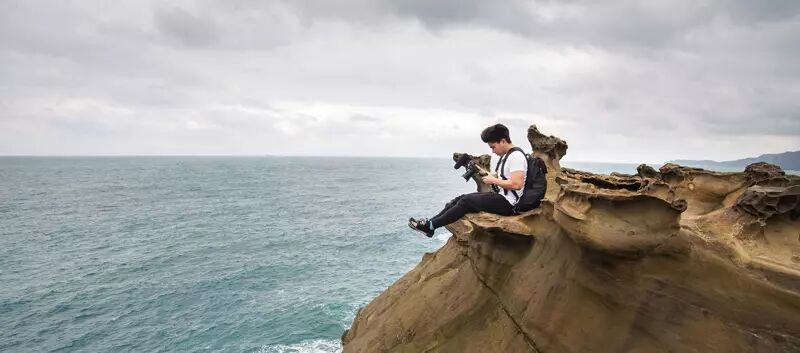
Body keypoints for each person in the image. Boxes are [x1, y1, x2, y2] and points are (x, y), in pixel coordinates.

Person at [409, 124, 528, 237]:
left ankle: (431, 226)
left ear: (503, 141)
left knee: (467, 201)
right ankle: (430, 224)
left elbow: (517, 184)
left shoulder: (516, 156)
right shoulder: (507, 156)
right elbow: (505, 178)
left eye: (493, 147)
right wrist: (483, 172)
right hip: (502, 197)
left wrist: (494, 180)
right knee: (459, 198)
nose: (492, 151)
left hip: (510, 203)